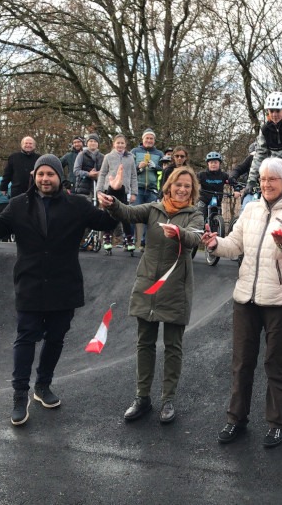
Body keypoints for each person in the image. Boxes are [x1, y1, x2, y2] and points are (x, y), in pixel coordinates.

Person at [0, 155, 118, 426]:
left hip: (64, 284)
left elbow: (108, 223)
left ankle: (42, 385)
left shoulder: (77, 204)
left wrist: (116, 194)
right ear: (34, 177)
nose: (44, 179)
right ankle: (20, 394)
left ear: (59, 177)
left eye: (49, 174)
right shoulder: (19, 205)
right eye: (40, 174)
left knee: (55, 338)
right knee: (25, 337)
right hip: (29, 283)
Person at [201, 157, 282, 448]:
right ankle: (236, 418)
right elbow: (234, 244)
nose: (265, 184)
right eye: (262, 179)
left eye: (272, 179)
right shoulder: (250, 209)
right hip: (246, 298)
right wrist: (215, 244)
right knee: (241, 363)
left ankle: (277, 423)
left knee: (276, 365)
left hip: (281, 301)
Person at [98, 166, 203, 424]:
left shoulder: (194, 215)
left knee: (173, 346)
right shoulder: (154, 209)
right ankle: (142, 398)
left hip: (176, 288)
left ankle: (168, 400)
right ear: (169, 186)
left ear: (192, 191)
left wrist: (180, 234)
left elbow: (195, 239)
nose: (182, 189)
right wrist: (113, 201)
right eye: (178, 184)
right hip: (148, 285)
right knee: (144, 343)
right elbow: (128, 212)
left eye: (187, 186)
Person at [96, 134, 138, 252]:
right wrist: (99, 190)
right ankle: (107, 236)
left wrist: (134, 192)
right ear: (114, 144)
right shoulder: (108, 157)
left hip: (124, 190)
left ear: (125, 145)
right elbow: (103, 173)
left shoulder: (130, 158)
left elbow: (134, 176)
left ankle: (129, 238)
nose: (120, 145)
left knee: (125, 214)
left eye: (122, 143)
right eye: (118, 143)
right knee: (108, 214)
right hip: (109, 189)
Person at [131, 129, 164, 248]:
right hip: (137, 188)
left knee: (150, 217)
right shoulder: (135, 151)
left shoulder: (159, 154)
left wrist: (155, 167)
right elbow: (128, 168)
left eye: (151, 139)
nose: (149, 140)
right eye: (147, 138)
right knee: (132, 214)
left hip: (152, 189)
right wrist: (138, 167)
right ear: (142, 139)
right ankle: (130, 240)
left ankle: (145, 242)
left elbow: (164, 170)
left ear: (154, 140)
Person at [196, 151, 231, 220]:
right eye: (211, 162)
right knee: (200, 217)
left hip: (217, 200)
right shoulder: (202, 175)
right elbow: (193, 182)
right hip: (204, 200)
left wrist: (236, 190)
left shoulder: (223, 175)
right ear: (208, 164)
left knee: (218, 220)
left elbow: (233, 182)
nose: (213, 164)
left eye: (215, 162)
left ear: (219, 163)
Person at [72, 133, 103, 198]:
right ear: (87, 143)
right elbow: (76, 171)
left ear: (98, 144)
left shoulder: (102, 157)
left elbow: (106, 172)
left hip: (99, 189)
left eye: (95, 141)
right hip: (83, 189)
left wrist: (99, 173)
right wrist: (88, 174)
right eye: (91, 141)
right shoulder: (81, 155)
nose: (93, 143)